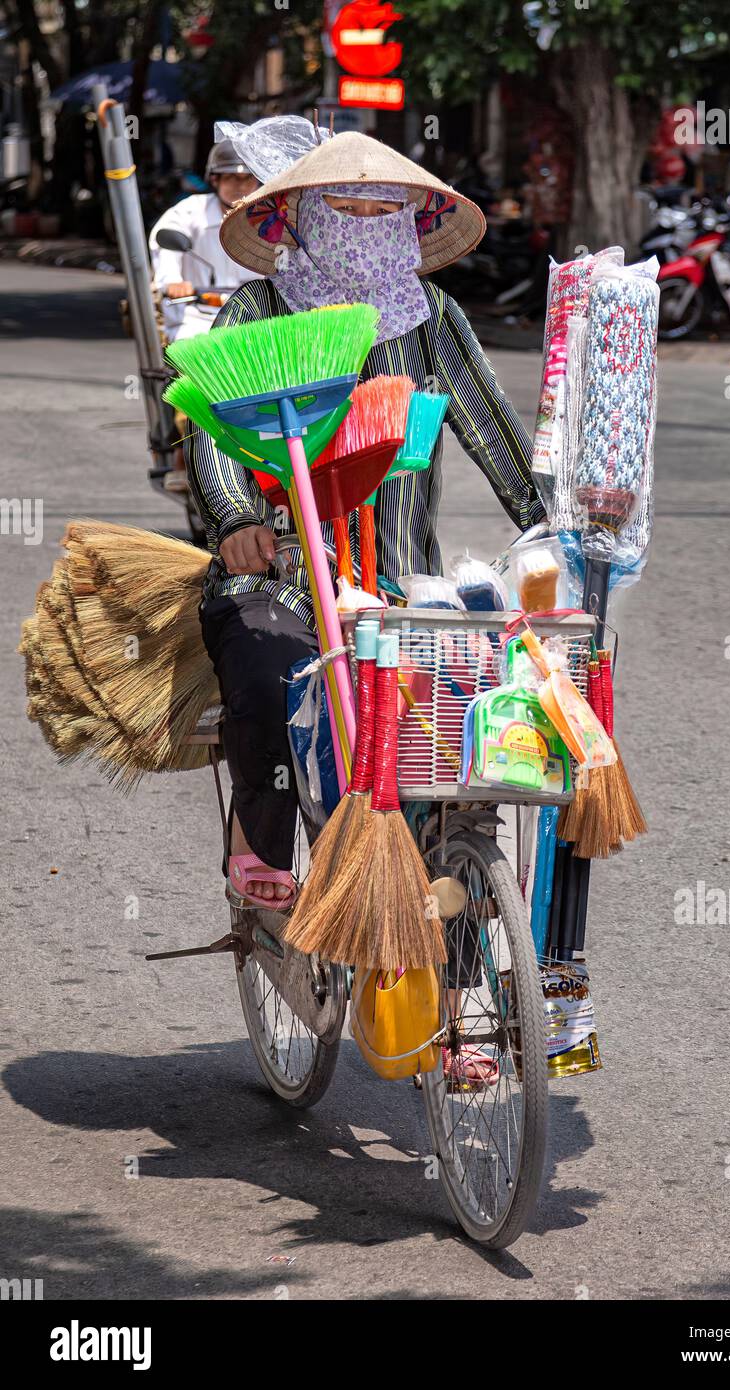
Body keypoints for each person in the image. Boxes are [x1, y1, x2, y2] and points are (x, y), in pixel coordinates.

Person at [185, 127, 545, 908]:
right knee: (267, 660)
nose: (362, 222)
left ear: (409, 222)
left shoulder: (433, 319)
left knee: (462, 718)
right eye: (343, 207)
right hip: (284, 577)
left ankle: (455, 922)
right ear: (303, 215)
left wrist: (551, 526)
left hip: (397, 581)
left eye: (381, 210)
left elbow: (489, 428)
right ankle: (263, 845)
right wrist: (238, 517)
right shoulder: (257, 307)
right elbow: (210, 430)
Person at [149, 139, 260, 342]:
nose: (241, 186)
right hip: (196, 319)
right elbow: (166, 240)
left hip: (256, 321)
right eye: (231, 178)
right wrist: (173, 281)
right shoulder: (191, 210)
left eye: (248, 178)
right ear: (215, 180)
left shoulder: (270, 218)